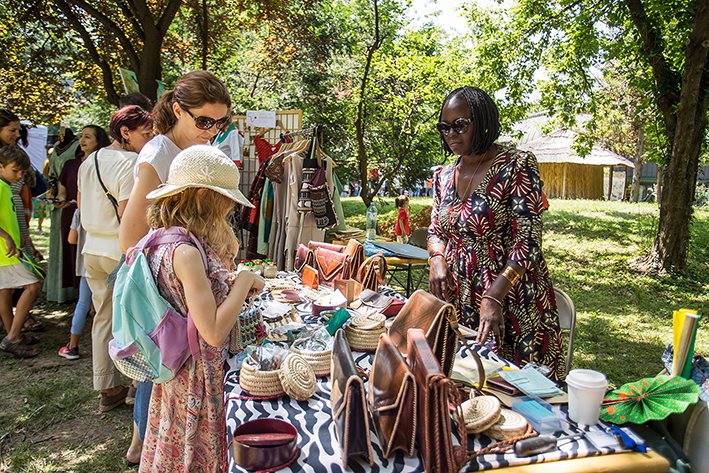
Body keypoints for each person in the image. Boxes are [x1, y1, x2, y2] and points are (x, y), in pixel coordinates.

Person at [118, 70, 232, 466]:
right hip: (165, 290)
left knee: (170, 370)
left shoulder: (195, 153)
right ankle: (150, 447)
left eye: (222, 122)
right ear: (178, 110)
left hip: (184, 286)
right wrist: (185, 262)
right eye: (204, 121)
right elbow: (130, 238)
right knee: (165, 366)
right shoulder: (159, 154)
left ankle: (149, 445)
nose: (213, 130)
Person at [138, 145, 263, 472]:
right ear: (206, 197)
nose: (230, 206)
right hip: (196, 373)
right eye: (226, 198)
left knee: (177, 448)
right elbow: (213, 331)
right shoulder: (186, 253)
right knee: (194, 453)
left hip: (177, 366)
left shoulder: (163, 238)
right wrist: (244, 280)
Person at [427, 86, 564, 380]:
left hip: (511, 297)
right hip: (461, 295)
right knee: (467, 380)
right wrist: (437, 259)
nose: (451, 134)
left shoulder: (516, 165)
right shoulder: (443, 175)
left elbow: (528, 241)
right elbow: (436, 230)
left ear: (483, 121)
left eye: (460, 125)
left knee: (515, 388)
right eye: (445, 127)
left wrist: (495, 296)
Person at [77, 107, 154, 411]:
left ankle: (107, 387)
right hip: (118, 251)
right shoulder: (131, 162)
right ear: (126, 132)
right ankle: (135, 384)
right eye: (145, 133)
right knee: (134, 319)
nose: (148, 140)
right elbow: (127, 214)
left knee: (103, 319)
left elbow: (81, 204)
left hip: (91, 249)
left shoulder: (89, 161)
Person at [56, 126, 111, 300]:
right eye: (81, 136)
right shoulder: (71, 165)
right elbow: (62, 191)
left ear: (98, 141)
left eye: (87, 137)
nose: (82, 140)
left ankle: (91, 299)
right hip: (72, 214)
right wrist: (59, 200)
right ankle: (80, 296)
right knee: (73, 253)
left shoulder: (106, 164)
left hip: (96, 216)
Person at [0, 145, 42, 358]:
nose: (19, 176)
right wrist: (6, 237)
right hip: (5, 253)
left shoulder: (6, 186)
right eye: (15, 171)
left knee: (5, 292)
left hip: (7, 252)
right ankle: (13, 337)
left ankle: (12, 335)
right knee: (33, 286)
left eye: (22, 172)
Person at [45, 127, 79, 303]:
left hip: (71, 199)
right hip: (58, 198)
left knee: (68, 243)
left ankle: (70, 291)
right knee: (57, 242)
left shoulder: (77, 146)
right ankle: (56, 287)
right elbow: (52, 173)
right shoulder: (57, 146)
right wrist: (53, 193)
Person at [57, 208, 91, 360]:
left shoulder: (80, 211)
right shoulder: (116, 205)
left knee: (83, 303)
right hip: (112, 260)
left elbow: (72, 239)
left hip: (88, 263)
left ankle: (73, 346)